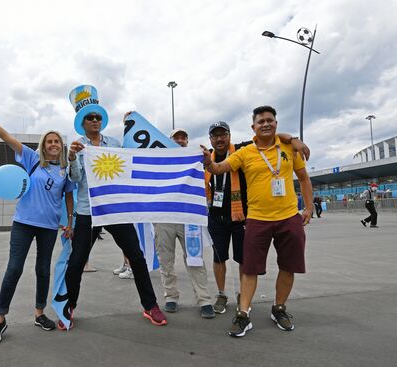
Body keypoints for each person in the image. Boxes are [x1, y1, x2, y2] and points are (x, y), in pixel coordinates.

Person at [0, 97, 75, 346]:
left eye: (57, 141)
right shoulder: (30, 158)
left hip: (49, 227)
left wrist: (69, 222)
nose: (53, 144)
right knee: (14, 268)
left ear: (61, 145)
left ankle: (39, 313)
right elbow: (5, 136)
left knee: (42, 270)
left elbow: (68, 196)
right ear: (44, 146)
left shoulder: (66, 169)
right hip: (24, 224)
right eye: (49, 141)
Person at [202, 105, 313, 337]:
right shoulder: (245, 152)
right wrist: (208, 163)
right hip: (256, 220)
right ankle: (243, 315)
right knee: (250, 269)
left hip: (289, 217)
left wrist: (309, 207)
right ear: (253, 127)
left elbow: (303, 178)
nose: (265, 123)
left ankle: (279, 308)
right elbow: (220, 167)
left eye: (269, 120)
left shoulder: (288, 147)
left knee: (288, 266)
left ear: (276, 123)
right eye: (260, 121)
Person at [65, 85, 167, 329]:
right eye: (90, 117)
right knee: (77, 261)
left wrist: (131, 126)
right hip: (87, 210)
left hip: (115, 209)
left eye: (98, 116)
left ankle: (150, 306)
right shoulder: (77, 147)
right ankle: (68, 306)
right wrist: (71, 158)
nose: (95, 120)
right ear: (82, 122)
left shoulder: (114, 143)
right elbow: (76, 179)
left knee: (136, 257)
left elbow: (130, 165)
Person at [154, 128, 215, 318]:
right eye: (176, 138)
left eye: (183, 138)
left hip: (187, 217)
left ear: (187, 141)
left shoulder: (195, 159)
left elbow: (210, 168)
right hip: (164, 217)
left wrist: (206, 158)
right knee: (166, 260)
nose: (180, 141)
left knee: (195, 258)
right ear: (169, 141)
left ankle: (204, 299)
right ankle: (171, 296)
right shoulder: (160, 159)